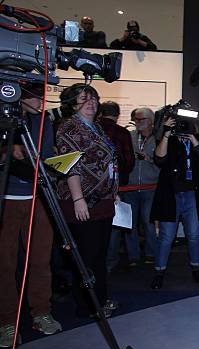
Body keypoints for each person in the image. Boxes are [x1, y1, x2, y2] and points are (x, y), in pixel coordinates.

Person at [0, 83, 62, 348]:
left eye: (42, 96)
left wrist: (53, 163)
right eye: (35, 97)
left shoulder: (43, 122)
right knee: (5, 264)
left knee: (40, 260)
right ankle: (7, 323)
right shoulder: (4, 118)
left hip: (38, 198)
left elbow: (45, 155)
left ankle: (41, 312)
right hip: (7, 199)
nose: (40, 101)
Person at [55, 84, 119, 318]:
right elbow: (70, 165)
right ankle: (88, 306)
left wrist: (113, 190)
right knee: (87, 256)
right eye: (84, 99)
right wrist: (78, 198)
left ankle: (100, 300)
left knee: (99, 254)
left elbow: (107, 162)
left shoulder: (98, 127)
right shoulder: (68, 128)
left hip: (102, 200)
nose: (91, 103)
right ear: (73, 104)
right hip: (82, 201)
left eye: (93, 98)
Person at [149, 117, 199, 289]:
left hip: (192, 195)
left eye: (186, 124)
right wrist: (166, 134)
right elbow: (159, 159)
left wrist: (192, 135)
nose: (183, 127)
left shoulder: (195, 140)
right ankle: (159, 271)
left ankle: (196, 268)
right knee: (166, 237)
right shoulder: (168, 139)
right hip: (170, 196)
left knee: (194, 235)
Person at [99, 101, 135, 273]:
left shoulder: (93, 129)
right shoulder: (122, 133)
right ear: (117, 114)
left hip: (92, 185)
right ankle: (109, 261)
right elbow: (129, 162)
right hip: (117, 184)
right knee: (114, 224)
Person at [123, 108, 159, 267]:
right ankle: (133, 256)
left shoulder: (159, 139)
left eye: (141, 119)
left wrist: (148, 158)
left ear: (151, 121)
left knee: (148, 222)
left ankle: (151, 253)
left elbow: (164, 163)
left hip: (150, 187)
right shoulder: (129, 137)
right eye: (135, 119)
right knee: (130, 224)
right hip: (130, 187)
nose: (137, 122)